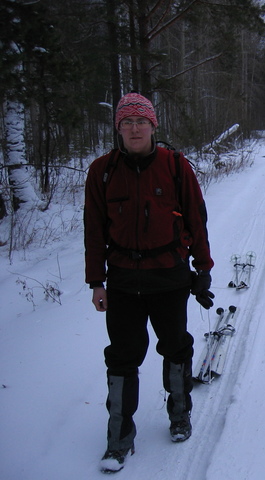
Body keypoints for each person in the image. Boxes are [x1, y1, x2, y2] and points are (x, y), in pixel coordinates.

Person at [84, 92, 215, 472]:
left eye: (142, 122)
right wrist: (96, 281)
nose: (135, 128)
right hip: (123, 281)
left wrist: (203, 269)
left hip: (169, 277)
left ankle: (179, 415)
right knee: (123, 357)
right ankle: (119, 438)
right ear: (118, 129)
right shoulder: (102, 171)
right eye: (127, 122)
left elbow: (196, 218)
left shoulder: (175, 166)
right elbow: (94, 230)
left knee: (175, 347)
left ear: (153, 126)